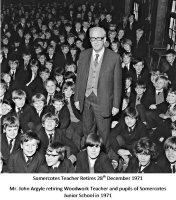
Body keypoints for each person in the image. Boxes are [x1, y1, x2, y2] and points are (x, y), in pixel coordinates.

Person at [74, 26, 122, 147]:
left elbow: (117, 84)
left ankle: (103, 157)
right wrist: (77, 98)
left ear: (105, 39)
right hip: (86, 99)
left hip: (104, 101)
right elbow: (79, 78)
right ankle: (89, 155)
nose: (95, 42)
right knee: (87, 130)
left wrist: (116, 105)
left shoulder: (114, 58)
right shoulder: (84, 54)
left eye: (98, 38)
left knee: (103, 133)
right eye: (92, 39)